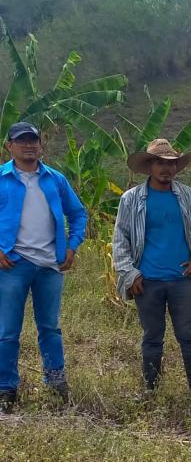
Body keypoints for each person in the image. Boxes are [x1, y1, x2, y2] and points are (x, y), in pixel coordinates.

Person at [112, 139, 191, 396]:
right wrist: (129, 273)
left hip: (182, 280)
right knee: (152, 337)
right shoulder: (132, 199)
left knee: (188, 335)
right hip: (147, 281)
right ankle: (151, 390)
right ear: (149, 166)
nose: (165, 168)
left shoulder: (188, 197)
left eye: (171, 163)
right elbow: (120, 240)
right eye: (160, 162)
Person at [0, 122, 88, 413]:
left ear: (41, 145)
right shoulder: (1, 179)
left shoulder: (55, 179)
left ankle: (57, 384)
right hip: (13, 264)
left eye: (33, 140)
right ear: (9, 147)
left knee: (50, 327)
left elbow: (77, 213)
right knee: (8, 331)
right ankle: (6, 389)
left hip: (50, 265)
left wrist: (72, 247)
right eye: (21, 141)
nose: (28, 146)